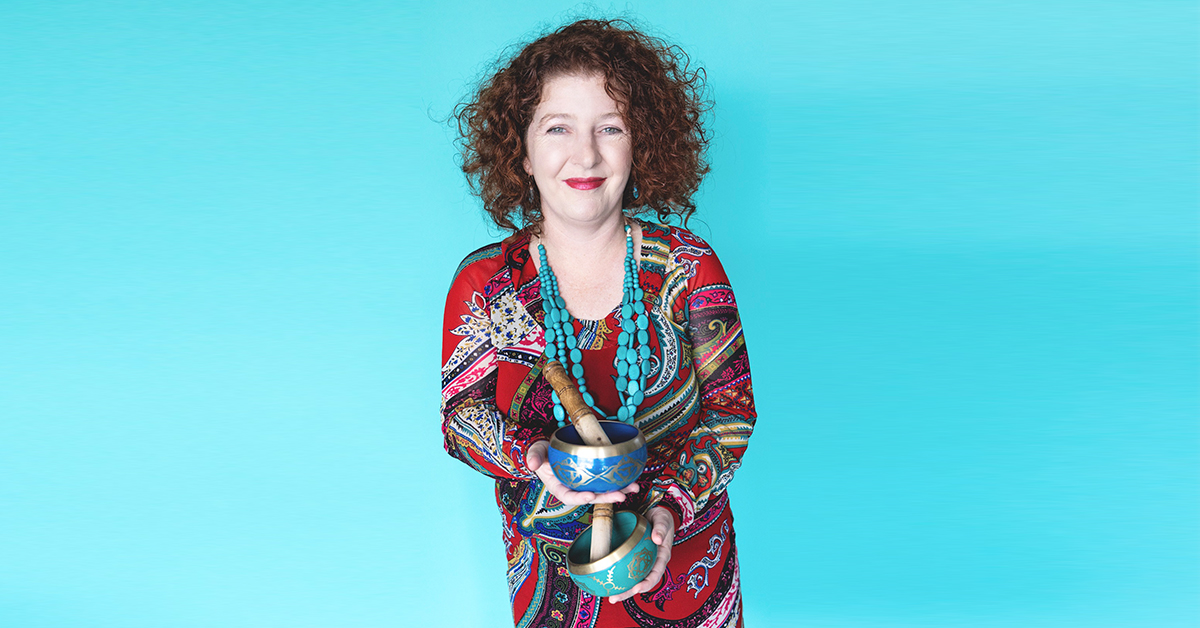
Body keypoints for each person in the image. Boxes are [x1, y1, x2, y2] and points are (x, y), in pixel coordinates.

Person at [441, 18, 755, 628]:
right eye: (557, 128)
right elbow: (460, 421)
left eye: (610, 128)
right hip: (551, 575)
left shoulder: (689, 267)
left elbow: (732, 413)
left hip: (688, 567)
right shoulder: (485, 283)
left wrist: (670, 507)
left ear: (641, 145)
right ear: (522, 151)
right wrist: (533, 455)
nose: (586, 154)